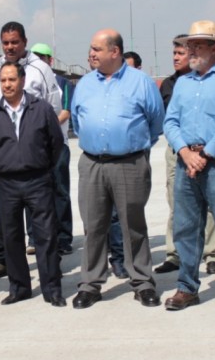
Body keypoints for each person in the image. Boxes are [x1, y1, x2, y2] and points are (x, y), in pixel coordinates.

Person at [70, 28, 164, 309]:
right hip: (92, 164)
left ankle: (142, 281)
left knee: (132, 224)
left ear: (115, 51)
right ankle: (90, 284)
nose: (91, 54)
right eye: (91, 48)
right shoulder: (85, 84)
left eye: (96, 49)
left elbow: (155, 122)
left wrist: (132, 145)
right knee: (93, 225)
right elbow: (77, 120)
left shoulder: (141, 82)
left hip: (129, 163)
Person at [163, 20, 215, 313]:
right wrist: (186, 152)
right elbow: (170, 120)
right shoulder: (183, 83)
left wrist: (204, 155)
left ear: (214, 48)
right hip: (187, 160)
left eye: (197, 45)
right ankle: (187, 287)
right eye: (189, 45)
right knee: (186, 228)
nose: (190, 51)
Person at [0, 22, 61, 281]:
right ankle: (2, 261)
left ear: (25, 42)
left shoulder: (41, 69)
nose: (10, 47)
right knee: (5, 220)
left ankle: (50, 271)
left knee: (44, 222)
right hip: (5, 166)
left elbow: (53, 107)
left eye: (15, 42)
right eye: (5, 42)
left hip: (37, 162)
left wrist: (41, 154)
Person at [155, 35, 215, 276]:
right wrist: (182, 149)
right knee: (176, 202)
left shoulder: (207, 81)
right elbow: (166, 119)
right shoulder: (169, 85)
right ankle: (175, 253)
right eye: (174, 54)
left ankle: (212, 253)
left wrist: (201, 152)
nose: (176, 58)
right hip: (176, 151)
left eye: (180, 54)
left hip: (206, 151)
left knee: (210, 204)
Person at [30, 43, 75, 256]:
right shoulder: (26, 81)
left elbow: (66, 110)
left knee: (60, 191)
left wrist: (47, 127)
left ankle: (64, 237)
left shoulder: (62, 82)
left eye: (42, 57)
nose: (38, 60)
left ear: (50, 60)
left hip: (58, 146)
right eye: (35, 56)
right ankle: (34, 237)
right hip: (34, 148)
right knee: (33, 193)